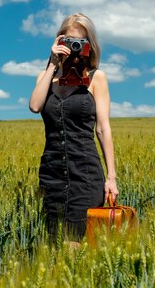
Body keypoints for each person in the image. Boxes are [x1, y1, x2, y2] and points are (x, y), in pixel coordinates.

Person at [29, 13, 119, 243]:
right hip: (52, 174)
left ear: (90, 45)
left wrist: (111, 178)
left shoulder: (97, 78)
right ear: (59, 41)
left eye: (81, 42)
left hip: (85, 175)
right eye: (69, 41)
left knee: (76, 246)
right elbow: (35, 105)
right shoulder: (46, 76)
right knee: (53, 245)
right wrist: (52, 63)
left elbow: (103, 128)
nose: (75, 47)